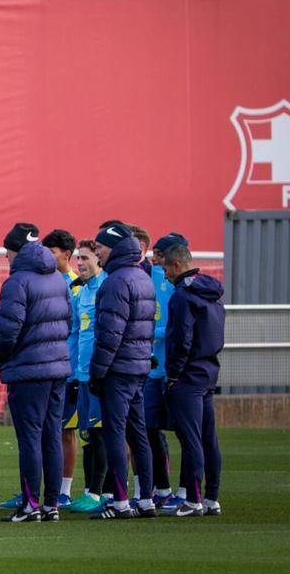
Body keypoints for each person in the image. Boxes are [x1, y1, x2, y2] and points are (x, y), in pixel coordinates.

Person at [0, 223, 72, 523]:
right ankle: (51, 504)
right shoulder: (58, 278)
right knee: (52, 435)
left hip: (28, 371)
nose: (6, 258)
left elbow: (6, 331)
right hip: (57, 368)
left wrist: (6, 360)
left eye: (7, 252)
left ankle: (30, 504)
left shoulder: (17, 282)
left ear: (17, 250)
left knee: (30, 438)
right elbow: (68, 321)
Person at [89, 223, 157, 520]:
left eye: (100, 247)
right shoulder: (142, 278)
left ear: (112, 248)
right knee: (138, 434)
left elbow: (110, 335)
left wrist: (97, 372)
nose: (97, 252)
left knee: (115, 433)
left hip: (118, 370)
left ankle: (120, 502)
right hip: (139, 366)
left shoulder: (116, 281)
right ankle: (146, 499)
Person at [161, 242, 225, 517]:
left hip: (187, 377)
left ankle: (193, 500)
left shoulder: (182, 296)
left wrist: (173, 374)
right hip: (208, 371)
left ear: (176, 266)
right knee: (208, 439)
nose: (163, 274)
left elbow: (180, 338)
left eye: (165, 267)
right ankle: (211, 498)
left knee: (191, 440)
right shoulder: (212, 292)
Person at [66, 240, 111, 513]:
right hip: (81, 375)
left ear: (99, 259)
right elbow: (74, 335)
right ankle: (90, 491)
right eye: (78, 259)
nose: (79, 263)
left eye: (85, 258)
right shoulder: (80, 293)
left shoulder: (107, 288)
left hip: (100, 374)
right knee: (87, 435)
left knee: (100, 433)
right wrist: (72, 372)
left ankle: (100, 493)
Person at [145, 230, 187, 508]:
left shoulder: (180, 283)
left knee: (186, 434)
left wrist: (149, 331)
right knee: (148, 429)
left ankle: (187, 495)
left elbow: (178, 327)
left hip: (174, 370)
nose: (154, 259)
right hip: (151, 370)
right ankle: (161, 490)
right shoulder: (147, 276)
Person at [42, 229, 81, 508]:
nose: (47, 256)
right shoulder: (44, 283)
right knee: (41, 431)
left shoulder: (78, 287)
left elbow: (79, 332)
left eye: (52, 251)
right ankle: (38, 488)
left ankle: (64, 490)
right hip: (46, 367)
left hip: (70, 370)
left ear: (66, 255)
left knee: (66, 431)